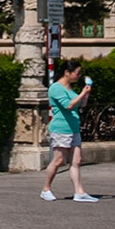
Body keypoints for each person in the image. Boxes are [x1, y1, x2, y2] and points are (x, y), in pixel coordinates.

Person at [42, 59, 97, 202]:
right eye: (77, 73)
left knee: (76, 160)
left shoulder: (70, 89)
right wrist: (82, 93)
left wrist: (86, 94)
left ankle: (79, 192)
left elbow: (80, 105)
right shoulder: (56, 88)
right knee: (59, 160)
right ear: (67, 73)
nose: (78, 76)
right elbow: (68, 106)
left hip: (73, 127)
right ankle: (46, 189)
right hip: (61, 128)